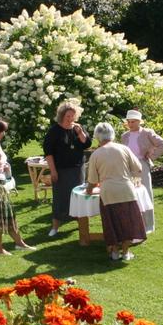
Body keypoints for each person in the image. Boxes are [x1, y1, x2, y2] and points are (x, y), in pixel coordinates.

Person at [86, 122, 146, 261]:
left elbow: (93, 180)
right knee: (128, 224)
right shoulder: (123, 149)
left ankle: (114, 252)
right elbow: (138, 168)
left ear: (97, 137)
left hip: (108, 193)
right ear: (112, 134)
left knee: (111, 223)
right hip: (126, 190)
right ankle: (125, 253)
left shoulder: (96, 154)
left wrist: (89, 190)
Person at [0, 118, 35, 255]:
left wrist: (3, 166)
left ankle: (20, 243)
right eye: (3, 131)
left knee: (9, 215)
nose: (4, 134)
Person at [42, 100, 92, 237]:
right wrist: (53, 171)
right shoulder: (54, 131)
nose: (70, 119)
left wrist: (80, 132)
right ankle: (55, 227)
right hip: (61, 170)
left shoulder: (77, 128)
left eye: (73, 116)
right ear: (62, 115)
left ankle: (80, 224)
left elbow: (87, 144)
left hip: (77, 169)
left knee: (79, 197)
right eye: (68, 116)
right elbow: (48, 153)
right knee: (60, 198)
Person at [120, 110, 163, 232]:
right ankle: (133, 223)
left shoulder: (147, 133)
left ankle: (148, 225)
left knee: (145, 193)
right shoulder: (124, 136)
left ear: (139, 121)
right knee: (131, 194)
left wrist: (152, 155)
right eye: (129, 122)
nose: (131, 124)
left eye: (133, 121)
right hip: (128, 167)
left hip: (141, 166)